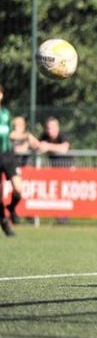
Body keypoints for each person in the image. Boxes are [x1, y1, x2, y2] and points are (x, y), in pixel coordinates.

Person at [0, 85, 26, 236]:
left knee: (19, 188)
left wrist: (27, 136)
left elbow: (11, 134)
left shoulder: (5, 114)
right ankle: (4, 221)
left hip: (7, 155)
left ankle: (10, 209)